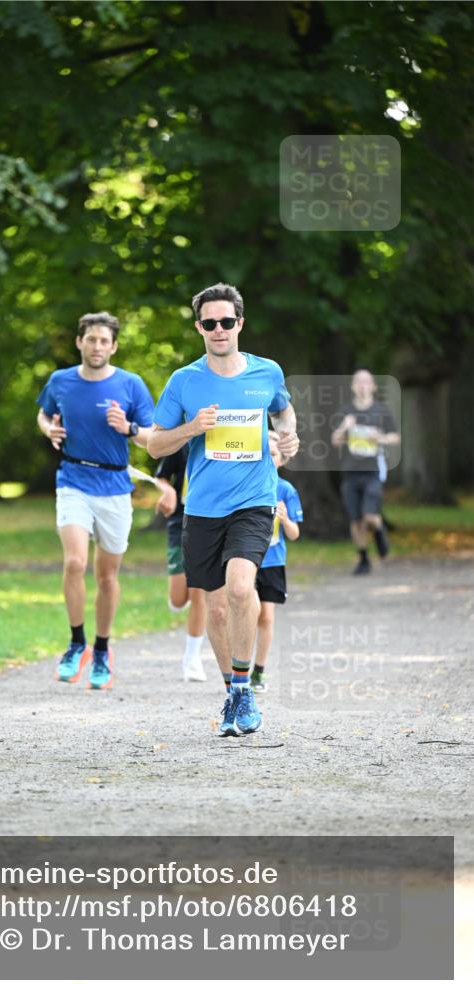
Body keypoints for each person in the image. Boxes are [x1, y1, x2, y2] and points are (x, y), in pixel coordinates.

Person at [148, 282, 299, 737]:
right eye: (209, 323)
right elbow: (155, 441)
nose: (219, 329)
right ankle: (234, 690)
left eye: (227, 322)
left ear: (240, 324)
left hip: (254, 502)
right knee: (213, 608)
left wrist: (288, 438)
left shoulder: (266, 372)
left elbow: (285, 413)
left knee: (239, 588)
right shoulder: (184, 381)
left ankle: (247, 689)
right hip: (203, 509)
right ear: (199, 327)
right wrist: (192, 427)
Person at [37, 311, 154, 689]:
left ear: (114, 346)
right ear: (79, 342)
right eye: (91, 339)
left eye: (105, 340)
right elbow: (43, 413)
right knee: (75, 562)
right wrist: (49, 428)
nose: (98, 346)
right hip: (72, 479)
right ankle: (76, 643)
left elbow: (150, 437)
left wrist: (128, 428)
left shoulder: (131, 385)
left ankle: (102, 650)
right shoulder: (61, 381)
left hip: (115, 487)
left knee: (107, 576)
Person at [331, 369, 400, 575]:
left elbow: (395, 437)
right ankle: (363, 558)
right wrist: (345, 427)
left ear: (373, 386)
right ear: (353, 386)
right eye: (358, 382)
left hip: (372, 471)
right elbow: (336, 440)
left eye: (366, 382)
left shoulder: (381, 411)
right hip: (350, 472)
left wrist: (380, 437)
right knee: (356, 521)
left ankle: (379, 533)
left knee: (370, 516)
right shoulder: (346, 412)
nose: (362, 386)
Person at [251, 442, 303, 693]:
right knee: (245, 611)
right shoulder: (247, 485)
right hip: (247, 560)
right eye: (264, 452)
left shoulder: (285, 490)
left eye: (272, 454)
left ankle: (258, 671)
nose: (267, 457)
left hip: (272, 561)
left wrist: (285, 519)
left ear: (282, 459)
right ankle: (237, 667)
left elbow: (294, 535)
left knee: (266, 616)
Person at [154, 445, 208, 682]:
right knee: (178, 600)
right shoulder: (181, 442)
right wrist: (168, 491)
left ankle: (192, 658)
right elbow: (162, 477)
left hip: (210, 523)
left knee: (200, 593)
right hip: (180, 523)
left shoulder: (225, 440)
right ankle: (180, 595)